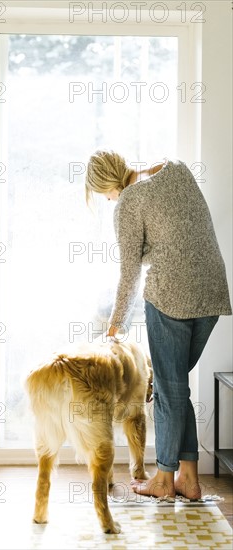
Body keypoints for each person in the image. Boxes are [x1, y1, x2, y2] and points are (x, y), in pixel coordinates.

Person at [85, 150, 232, 499]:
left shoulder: (127, 204)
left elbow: (130, 273)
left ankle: (164, 481)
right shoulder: (176, 168)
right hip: (212, 292)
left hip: (170, 297)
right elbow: (192, 230)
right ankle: (190, 481)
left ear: (107, 184)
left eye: (103, 194)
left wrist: (114, 324)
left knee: (168, 390)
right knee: (176, 385)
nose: (107, 200)